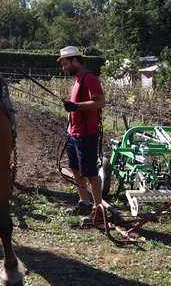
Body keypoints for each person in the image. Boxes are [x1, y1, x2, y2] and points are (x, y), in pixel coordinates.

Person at [57, 46, 106, 217]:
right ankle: (85, 203)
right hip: (74, 134)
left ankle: (99, 210)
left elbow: (100, 102)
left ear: (75, 61)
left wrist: (76, 106)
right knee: (76, 170)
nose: (64, 68)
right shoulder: (78, 79)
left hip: (86, 135)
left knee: (91, 173)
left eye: (65, 64)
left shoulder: (89, 78)